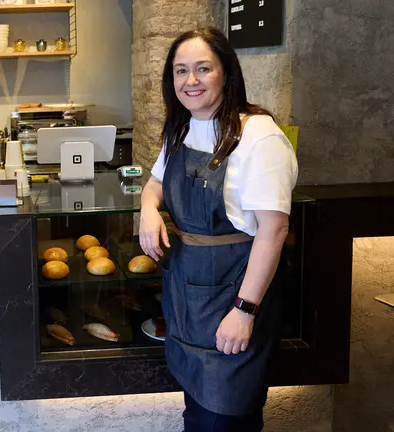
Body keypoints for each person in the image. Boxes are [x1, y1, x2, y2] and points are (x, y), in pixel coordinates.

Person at [139, 28, 298, 431]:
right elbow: (156, 181)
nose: (190, 80)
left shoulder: (259, 135)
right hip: (187, 298)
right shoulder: (182, 128)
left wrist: (245, 310)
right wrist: (148, 208)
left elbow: (274, 229)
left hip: (234, 295)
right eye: (180, 71)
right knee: (199, 416)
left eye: (203, 69)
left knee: (225, 417)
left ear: (226, 73)